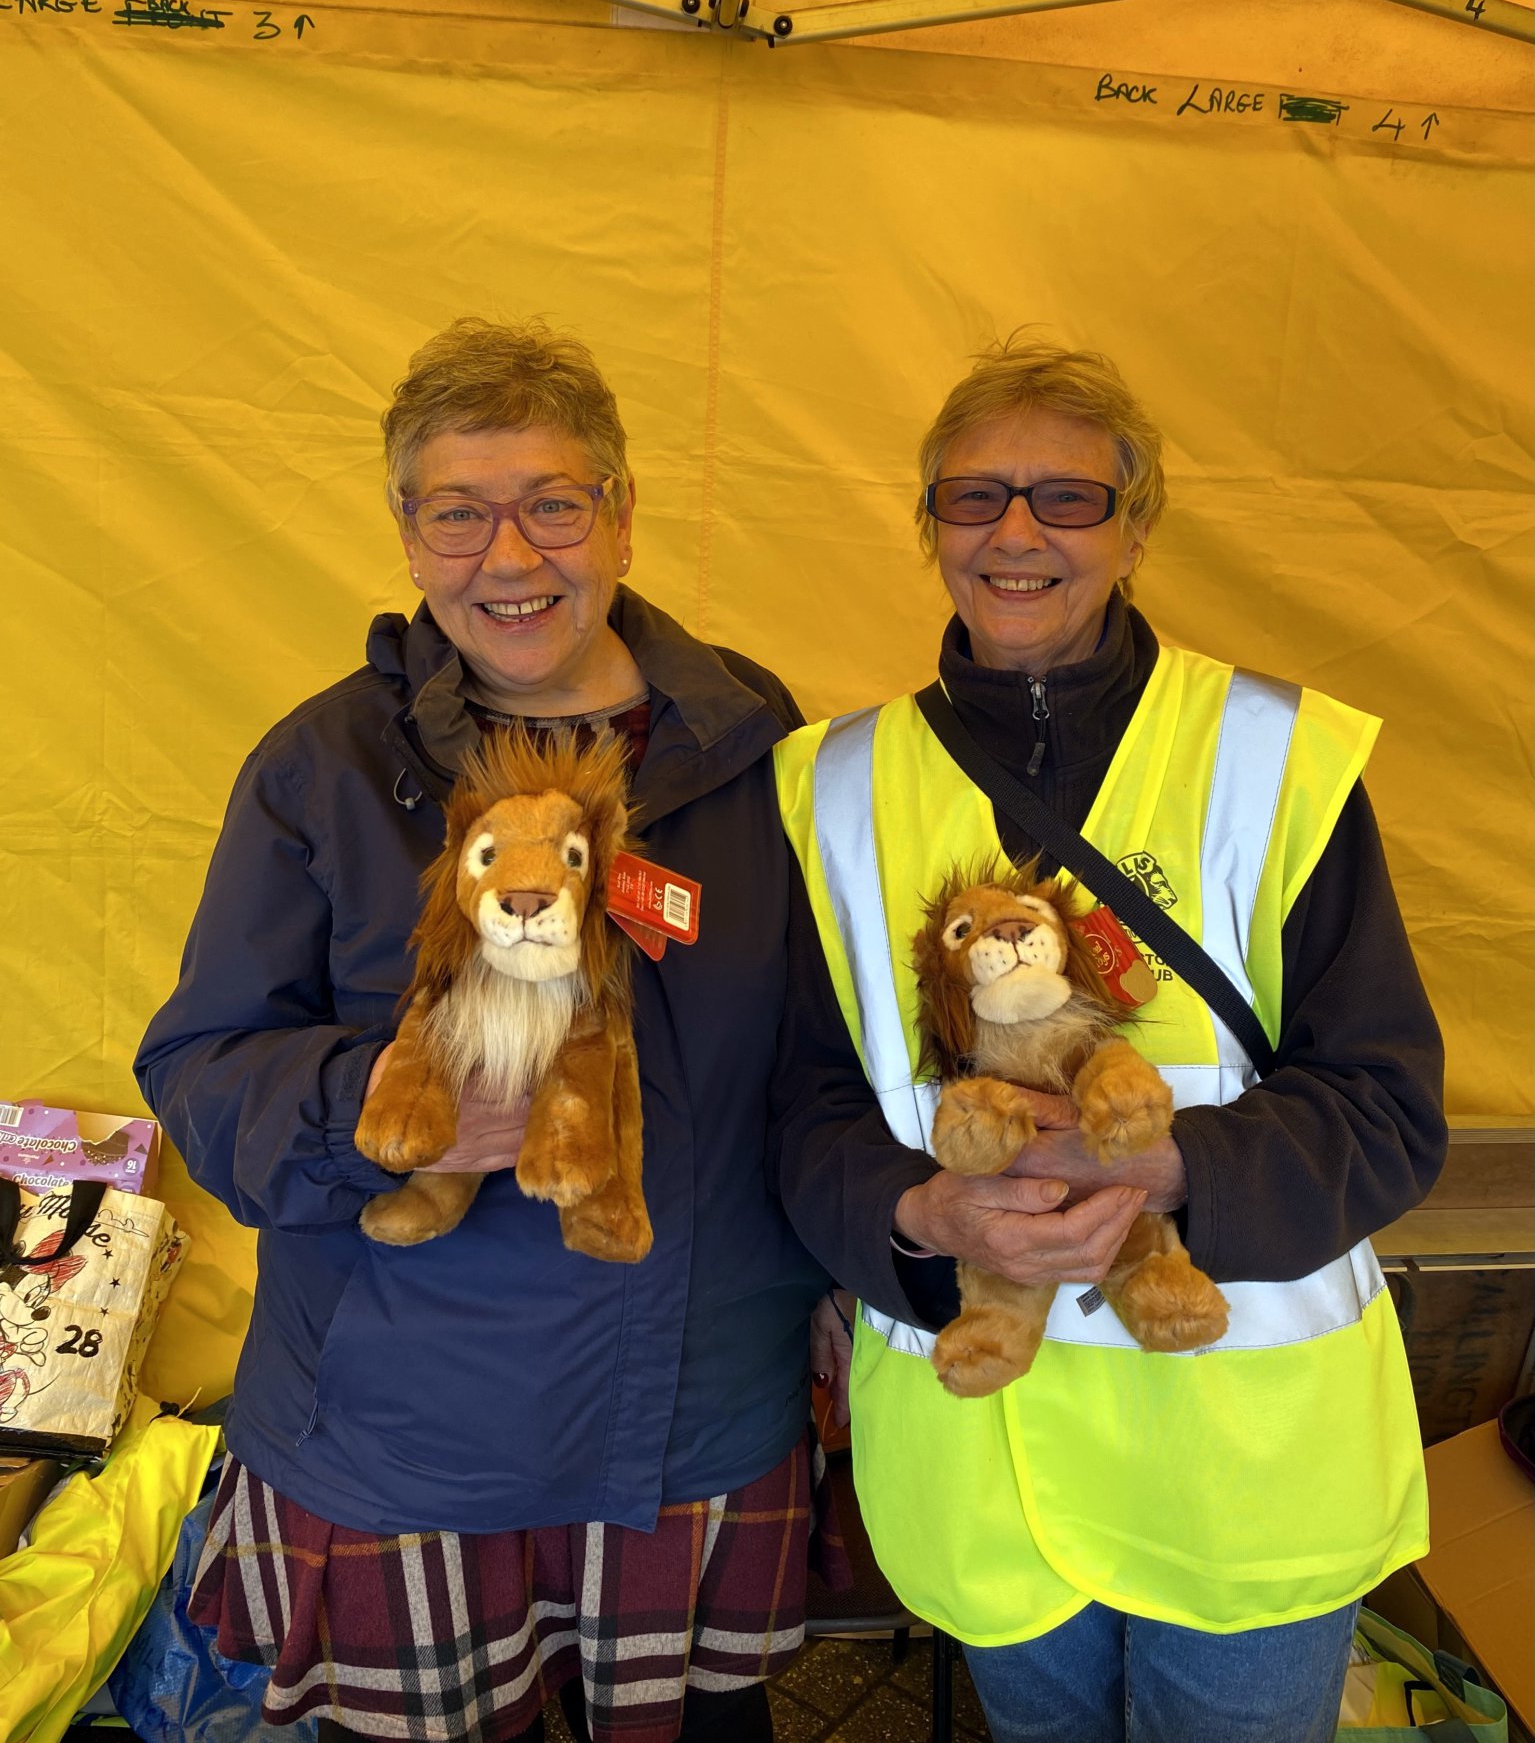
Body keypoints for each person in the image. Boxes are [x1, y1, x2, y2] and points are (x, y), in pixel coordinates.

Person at [134, 317, 951, 1743]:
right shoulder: (326, 769)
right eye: (459, 513)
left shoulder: (759, 747)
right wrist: (395, 1107)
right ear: (405, 532)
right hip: (406, 1427)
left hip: (693, 1405)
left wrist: (878, 1257)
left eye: (552, 506)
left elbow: (827, 1067)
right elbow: (203, 1068)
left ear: (622, 519)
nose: (509, 560)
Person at [775, 336, 1448, 1743]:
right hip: (987, 1464)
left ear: (1135, 526)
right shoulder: (828, 787)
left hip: (1242, 1463)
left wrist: (1165, 1169)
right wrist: (916, 1207)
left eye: (1067, 498)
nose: (1016, 531)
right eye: (974, 498)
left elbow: (1385, 1104)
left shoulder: (1272, 757)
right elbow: (801, 1110)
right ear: (930, 528)